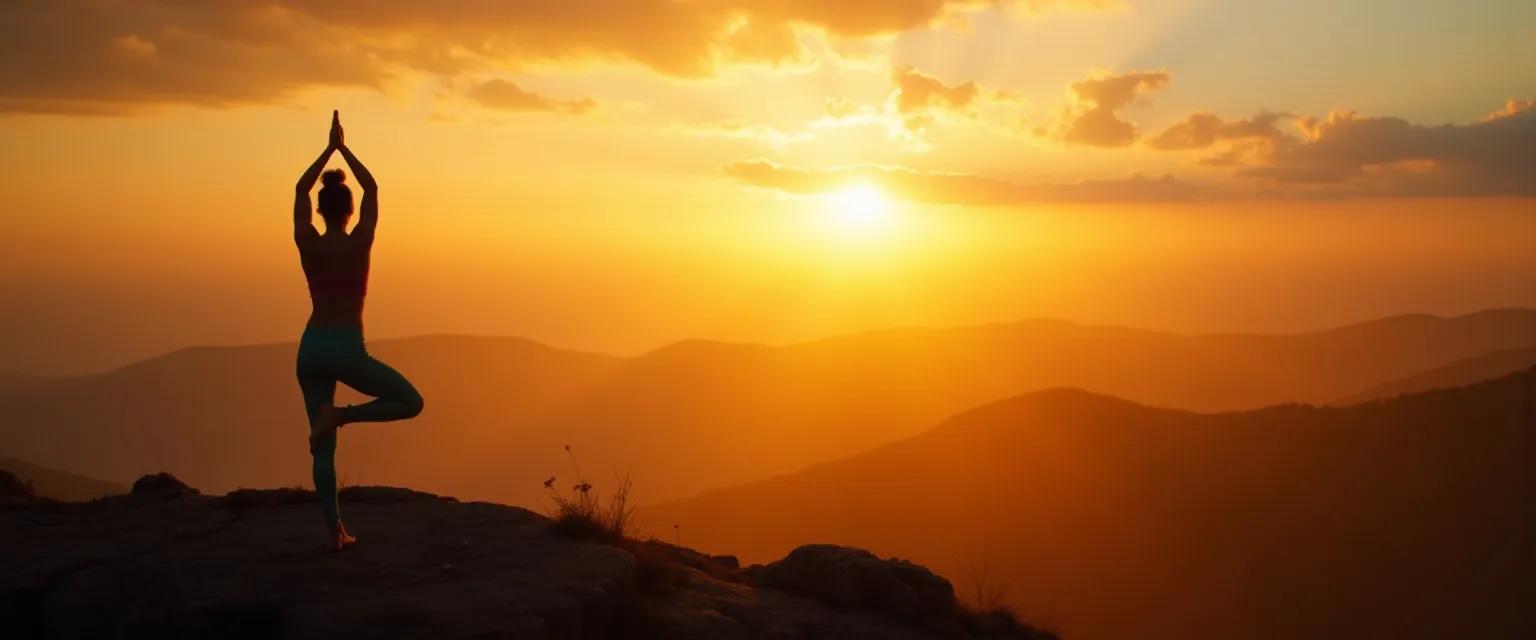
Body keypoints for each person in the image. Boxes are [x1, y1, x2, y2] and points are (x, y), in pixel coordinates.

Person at [293, 110, 424, 550]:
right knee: (410, 402)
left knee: (323, 448)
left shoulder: (307, 241)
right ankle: (343, 415)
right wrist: (343, 149)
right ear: (350, 210)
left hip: (311, 346)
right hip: (347, 348)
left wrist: (326, 151)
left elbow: (299, 190)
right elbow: (372, 188)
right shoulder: (360, 241)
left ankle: (335, 534)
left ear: (320, 209)